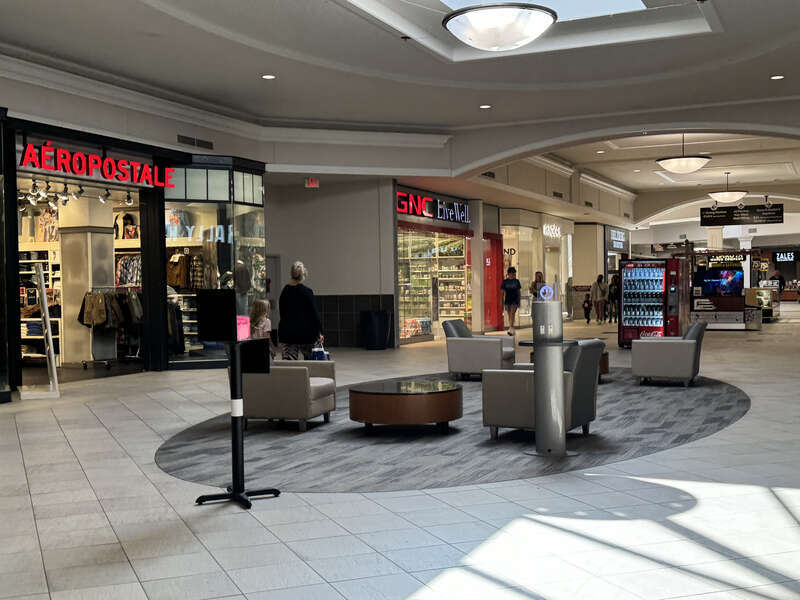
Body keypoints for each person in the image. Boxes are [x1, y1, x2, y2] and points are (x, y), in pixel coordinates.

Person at [278, 261, 323, 360]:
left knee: (290, 365)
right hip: (307, 334)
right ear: (303, 275)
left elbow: (282, 312)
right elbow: (314, 314)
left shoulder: (285, 291)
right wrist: (319, 331)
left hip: (288, 333)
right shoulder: (307, 292)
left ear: (291, 274)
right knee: (310, 362)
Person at [501, 266, 522, 336]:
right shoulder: (505, 282)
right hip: (507, 300)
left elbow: (519, 292)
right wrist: (501, 301)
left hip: (515, 300)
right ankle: (512, 327)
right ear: (509, 274)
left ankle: (510, 328)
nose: (513, 275)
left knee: (512, 313)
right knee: (509, 314)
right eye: (512, 274)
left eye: (514, 274)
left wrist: (519, 301)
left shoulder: (517, 281)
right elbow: (502, 292)